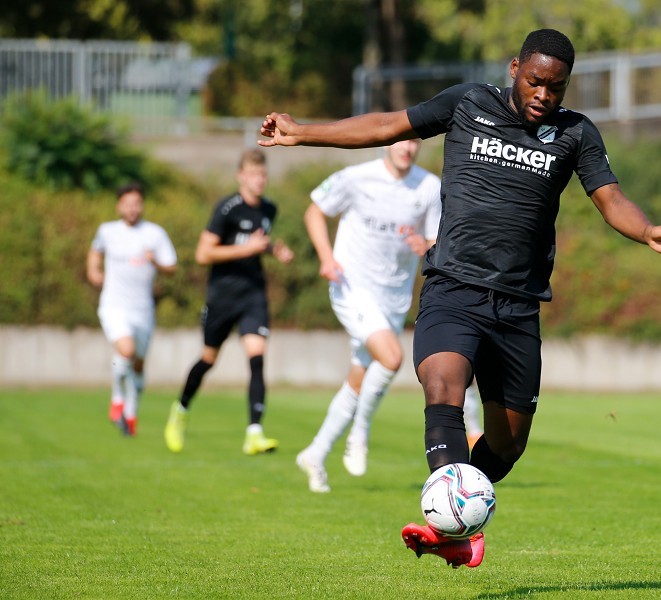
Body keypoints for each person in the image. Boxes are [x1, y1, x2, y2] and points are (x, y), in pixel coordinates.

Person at [259, 28, 661, 568]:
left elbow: (611, 199)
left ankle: (459, 513)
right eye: (536, 81)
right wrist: (301, 132)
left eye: (557, 88)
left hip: (518, 308)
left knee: (507, 445)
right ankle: (450, 524)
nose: (544, 95)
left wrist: (647, 232)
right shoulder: (469, 102)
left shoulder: (576, 134)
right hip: (453, 289)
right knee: (442, 386)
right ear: (515, 67)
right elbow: (386, 126)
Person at [294, 139, 442, 492]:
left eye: (414, 141)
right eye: (401, 140)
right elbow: (314, 211)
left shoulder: (429, 187)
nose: (407, 147)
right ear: (387, 143)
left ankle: (315, 453)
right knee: (391, 358)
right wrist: (326, 257)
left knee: (359, 378)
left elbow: (437, 239)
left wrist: (427, 245)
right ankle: (359, 435)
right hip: (352, 286)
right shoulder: (356, 177)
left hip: (394, 297)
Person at [164, 149, 294, 455]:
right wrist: (247, 249)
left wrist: (274, 250)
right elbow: (203, 254)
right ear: (240, 176)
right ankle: (180, 410)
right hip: (222, 296)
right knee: (208, 359)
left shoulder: (268, 210)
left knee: (257, 356)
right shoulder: (227, 209)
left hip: (253, 294)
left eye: (263, 175)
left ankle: (254, 433)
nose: (259, 180)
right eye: (253, 175)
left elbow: (257, 244)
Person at [87, 182, 177, 436]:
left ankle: (131, 414)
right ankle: (117, 399)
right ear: (119, 206)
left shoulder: (154, 234)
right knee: (125, 350)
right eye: (128, 203)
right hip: (114, 305)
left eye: (137, 203)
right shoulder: (107, 231)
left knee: (138, 365)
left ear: (142, 205)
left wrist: (156, 262)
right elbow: (94, 252)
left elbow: (172, 267)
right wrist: (94, 271)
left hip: (143, 310)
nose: (132, 208)